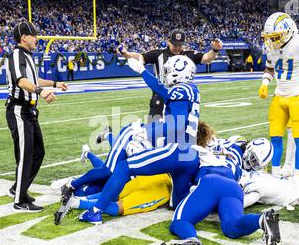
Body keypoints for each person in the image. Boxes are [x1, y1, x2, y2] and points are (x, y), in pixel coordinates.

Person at [69, 55, 201, 225]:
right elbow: (162, 90)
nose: (166, 74)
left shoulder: (180, 90)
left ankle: (95, 212)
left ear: (178, 73)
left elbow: (177, 124)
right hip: (190, 155)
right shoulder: (191, 89)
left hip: (176, 151)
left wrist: (147, 132)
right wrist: (142, 71)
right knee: (178, 205)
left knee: (125, 167)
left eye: (168, 71)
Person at [160, 136, 281, 245]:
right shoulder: (245, 168)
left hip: (211, 181)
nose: (251, 163)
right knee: (232, 227)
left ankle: (191, 238)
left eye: (255, 163)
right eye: (252, 158)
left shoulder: (218, 144)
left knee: (180, 221)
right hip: (234, 188)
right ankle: (261, 219)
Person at [5, 20, 68, 212]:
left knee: (38, 152)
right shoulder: (17, 54)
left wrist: (54, 84)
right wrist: (41, 91)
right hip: (19, 110)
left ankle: (19, 188)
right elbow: (22, 81)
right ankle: (19, 200)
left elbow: (33, 79)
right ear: (24, 37)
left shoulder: (27, 55)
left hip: (30, 111)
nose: (37, 39)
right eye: (34, 35)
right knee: (25, 155)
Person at [258, 12, 299, 177]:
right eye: (270, 37)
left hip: (298, 96)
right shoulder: (272, 48)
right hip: (279, 96)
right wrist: (265, 83)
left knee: (298, 138)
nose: (272, 41)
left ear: (288, 31)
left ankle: (297, 176)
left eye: (276, 36)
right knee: (275, 137)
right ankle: (275, 173)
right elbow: (270, 68)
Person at [117, 29, 222, 122]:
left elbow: (206, 59)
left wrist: (215, 50)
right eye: (174, 44)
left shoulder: (189, 55)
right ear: (168, 42)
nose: (177, 47)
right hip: (160, 96)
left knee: (178, 130)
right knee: (153, 131)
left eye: (179, 45)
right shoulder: (158, 54)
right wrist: (126, 54)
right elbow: (140, 57)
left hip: (180, 98)